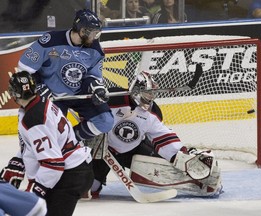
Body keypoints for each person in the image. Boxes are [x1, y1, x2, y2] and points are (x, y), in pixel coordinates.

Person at [83, 71, 221, 199]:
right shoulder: (113, 98)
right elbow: (86, 111)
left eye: (152, 95)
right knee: (90, 189)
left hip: (133, 150)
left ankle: (200, 183)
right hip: (102, 148)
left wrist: (182, 153)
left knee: (163, 167)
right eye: (147, 94)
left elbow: (163, 137)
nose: (149, 99)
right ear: (136, 90)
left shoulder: (153, 113)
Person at [1, 71, 94, 216]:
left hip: (70, 176)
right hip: (72, 171)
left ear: (14, 93)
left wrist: (34, 191)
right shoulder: (37, 104)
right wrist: (18, 161)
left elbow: (54, 164)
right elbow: (34, 144)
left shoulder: (34, 119)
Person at [17, 9, 114, 143]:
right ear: (82, 30)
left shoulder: (95, 48)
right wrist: (37, 86)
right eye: (93, 33)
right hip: (52, 97)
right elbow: (24, 68)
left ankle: (70, 142)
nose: (95, 37)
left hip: (79, 94)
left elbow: (93, 75)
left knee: (105, 121)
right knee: (51, 135)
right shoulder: (50, 41)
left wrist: (96, 88)